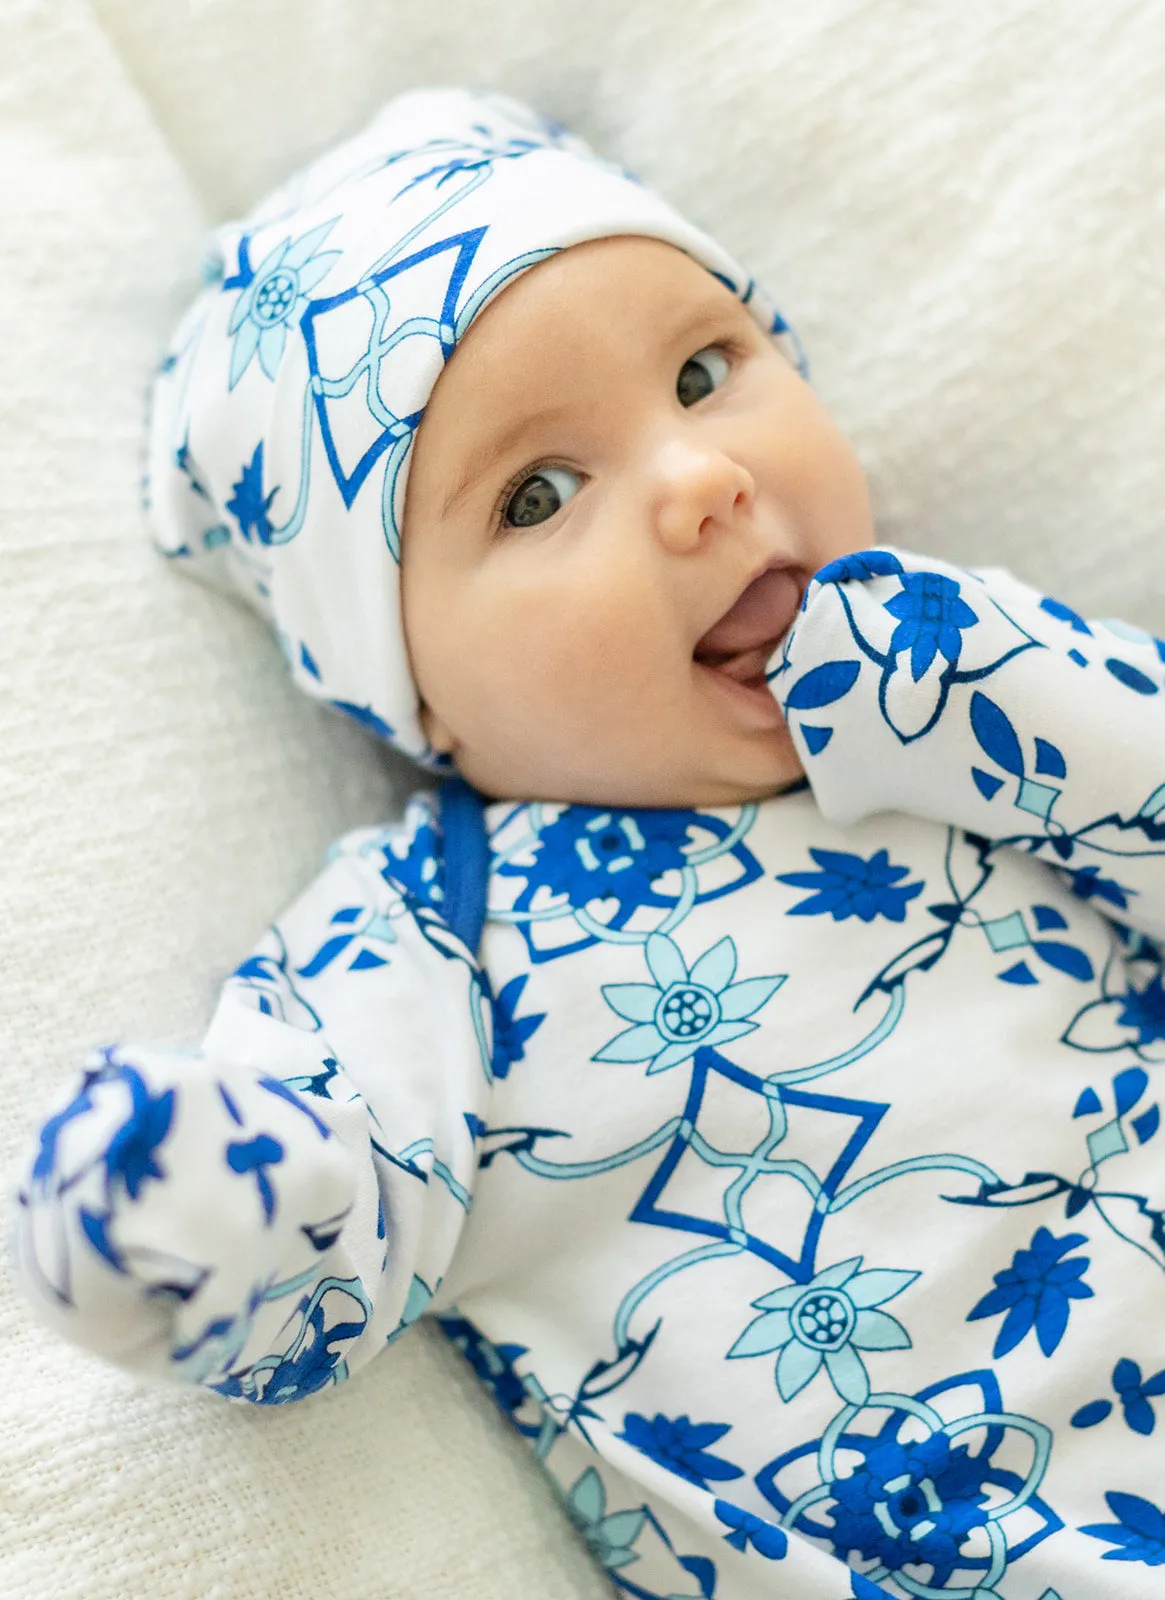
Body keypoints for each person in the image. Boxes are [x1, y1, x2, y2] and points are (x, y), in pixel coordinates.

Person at [13, 87, 1165, 1600]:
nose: (703, 483)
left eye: (705, 370)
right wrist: (192, 1205)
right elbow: (332, 1234)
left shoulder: (974, 703)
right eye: (540, 494)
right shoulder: (439, 933)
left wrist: (1011, 693)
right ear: (411, 692)